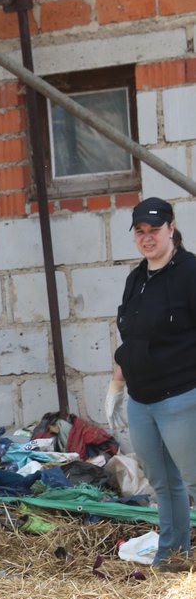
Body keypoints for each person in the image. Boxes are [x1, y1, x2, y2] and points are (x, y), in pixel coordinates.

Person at [113, 196, 196, 571]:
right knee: (162, 484)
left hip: (181, 397)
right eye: (140, 232)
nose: (147, 238)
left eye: (155, 230)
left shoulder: (190, 273)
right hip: (141, 399)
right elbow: (131, 337)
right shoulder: (136, 279)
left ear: (171, 229)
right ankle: (174, 555)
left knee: (194, 481)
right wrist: (117, 384)